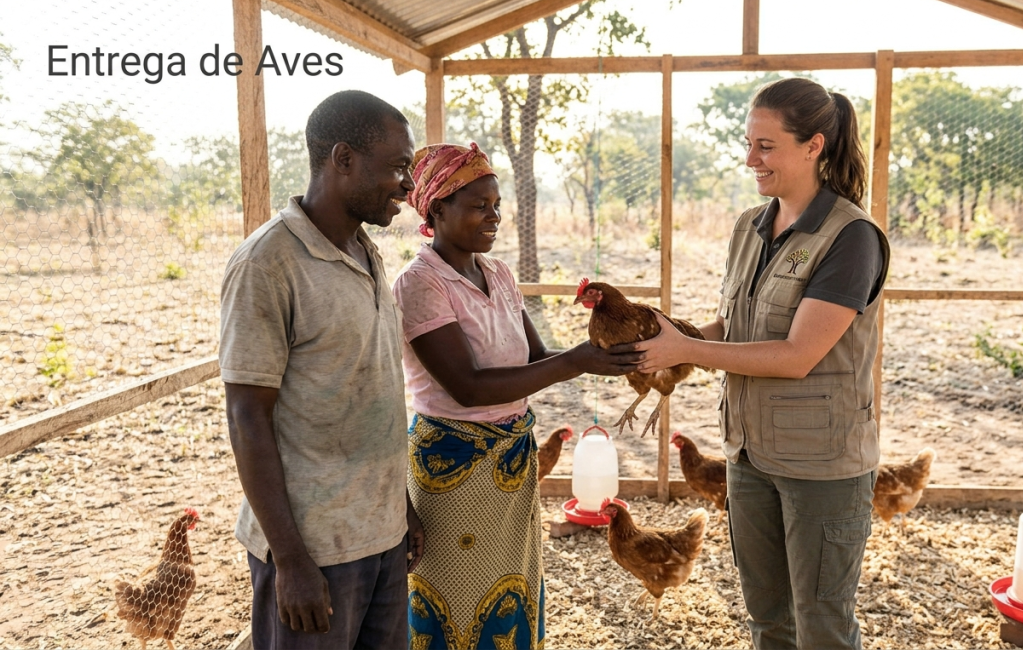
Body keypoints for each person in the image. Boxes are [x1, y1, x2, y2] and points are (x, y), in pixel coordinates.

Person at [632, 78, 890, 650]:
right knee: (768, 618)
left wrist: (689, 352)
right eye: (748, 143)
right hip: (748, 453)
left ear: (814, 146)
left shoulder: (850, 237)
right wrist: (679, 337)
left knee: (821, 623)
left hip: (822, 464)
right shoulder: (750, 225)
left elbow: (798, 355)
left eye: (766, 146)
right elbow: (736, 323)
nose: (750, 158)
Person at [393, 142, 641, 650]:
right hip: (453, 467)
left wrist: (602, 355)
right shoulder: (420, 284)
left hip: (510, 462)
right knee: (459, 595)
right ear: (437, 208)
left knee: (512, 589)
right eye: (479, 205)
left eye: (497, 204)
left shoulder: (498, 273)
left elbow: (534, 357)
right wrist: (575, 361)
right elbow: (466, 390)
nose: (494, 216)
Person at [219, 90, 425, 650]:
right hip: (313, 553)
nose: (409, 187)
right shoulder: (268, 262)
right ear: (343, 159)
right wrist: (290, 560)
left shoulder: (364, 249)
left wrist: (397, 506)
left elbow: (368, 389)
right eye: (399, 167)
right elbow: (246, 417)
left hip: (379, 537)